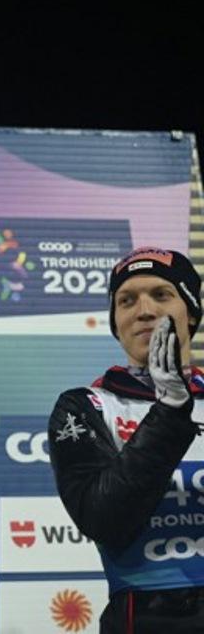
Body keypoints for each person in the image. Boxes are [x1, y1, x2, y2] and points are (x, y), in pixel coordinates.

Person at [49, 246, 204, 632]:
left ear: (192, 313)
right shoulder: (86, 405)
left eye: (162, 295)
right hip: (144, 616)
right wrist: (169, 412)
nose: (145, 311)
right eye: (127, 300)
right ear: (116, 323)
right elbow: (104, 518)